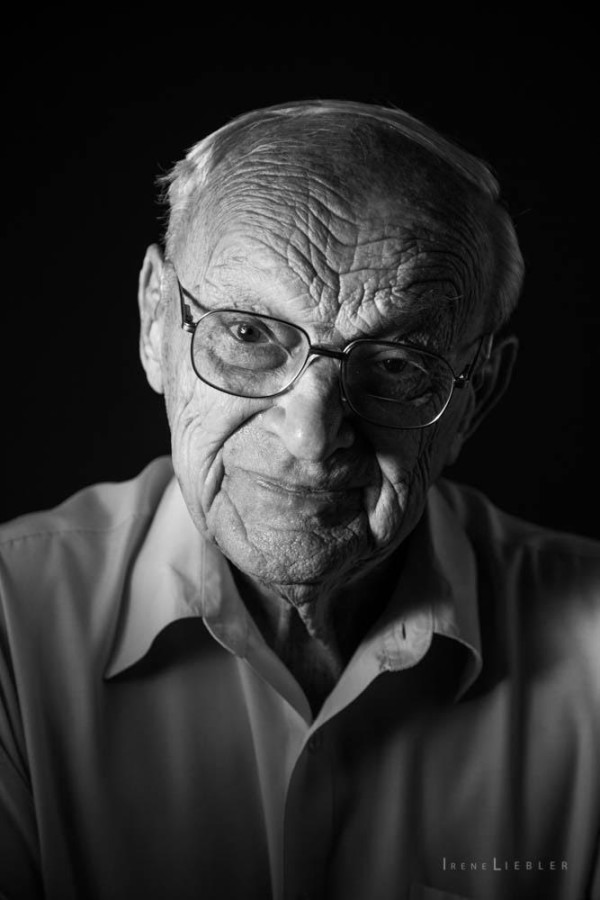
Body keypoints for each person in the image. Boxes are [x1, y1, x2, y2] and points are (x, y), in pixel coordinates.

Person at [0, 100, 598, 900]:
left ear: (476, 396)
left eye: (396, 366)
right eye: (249, 335)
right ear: (154, 323)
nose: (312, 437)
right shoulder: (11, 626)